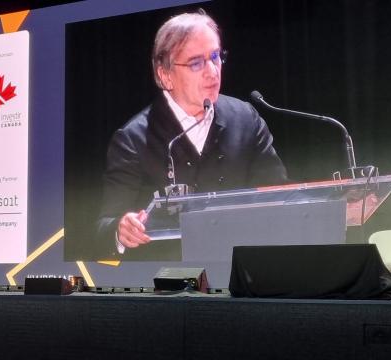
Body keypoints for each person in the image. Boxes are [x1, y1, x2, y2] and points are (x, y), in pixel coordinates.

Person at [95, 10, 287, 260]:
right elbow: (103, 225)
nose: (212, 71)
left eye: (216, 57)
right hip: (169, 284)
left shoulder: (245, 118)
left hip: (241, 272)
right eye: (196, 63)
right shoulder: (133, 139)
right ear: (165, 75)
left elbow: (280, 195)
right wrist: (121, 230)